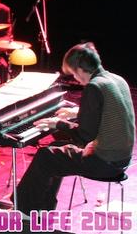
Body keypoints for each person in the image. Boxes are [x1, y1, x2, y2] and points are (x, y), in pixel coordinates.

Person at [16, 42, 135, 215]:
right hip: (122, 159)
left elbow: (85, 136)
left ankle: (24, 211)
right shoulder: (117, 79)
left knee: (45, 156)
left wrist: (57, 123)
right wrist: (77, 112)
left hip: (105, 162)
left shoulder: (94, 86)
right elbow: (107, 113)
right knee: (56, 149)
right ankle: (42, 209)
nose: (75, 78)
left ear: (79, 70)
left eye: (73, 74)